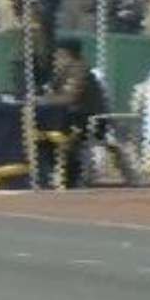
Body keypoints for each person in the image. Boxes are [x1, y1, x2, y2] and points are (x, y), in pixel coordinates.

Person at [35, 38, 105, 188]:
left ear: (66, 54)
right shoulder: (63, 72)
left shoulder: (78, 71)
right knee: (41, 132)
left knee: (55, 135)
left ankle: (70, 175)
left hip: (89, 122)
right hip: (74, 118)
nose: (56, 58)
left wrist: (42, 100)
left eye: (58, 55)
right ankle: (50, 174)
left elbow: (69, 98)